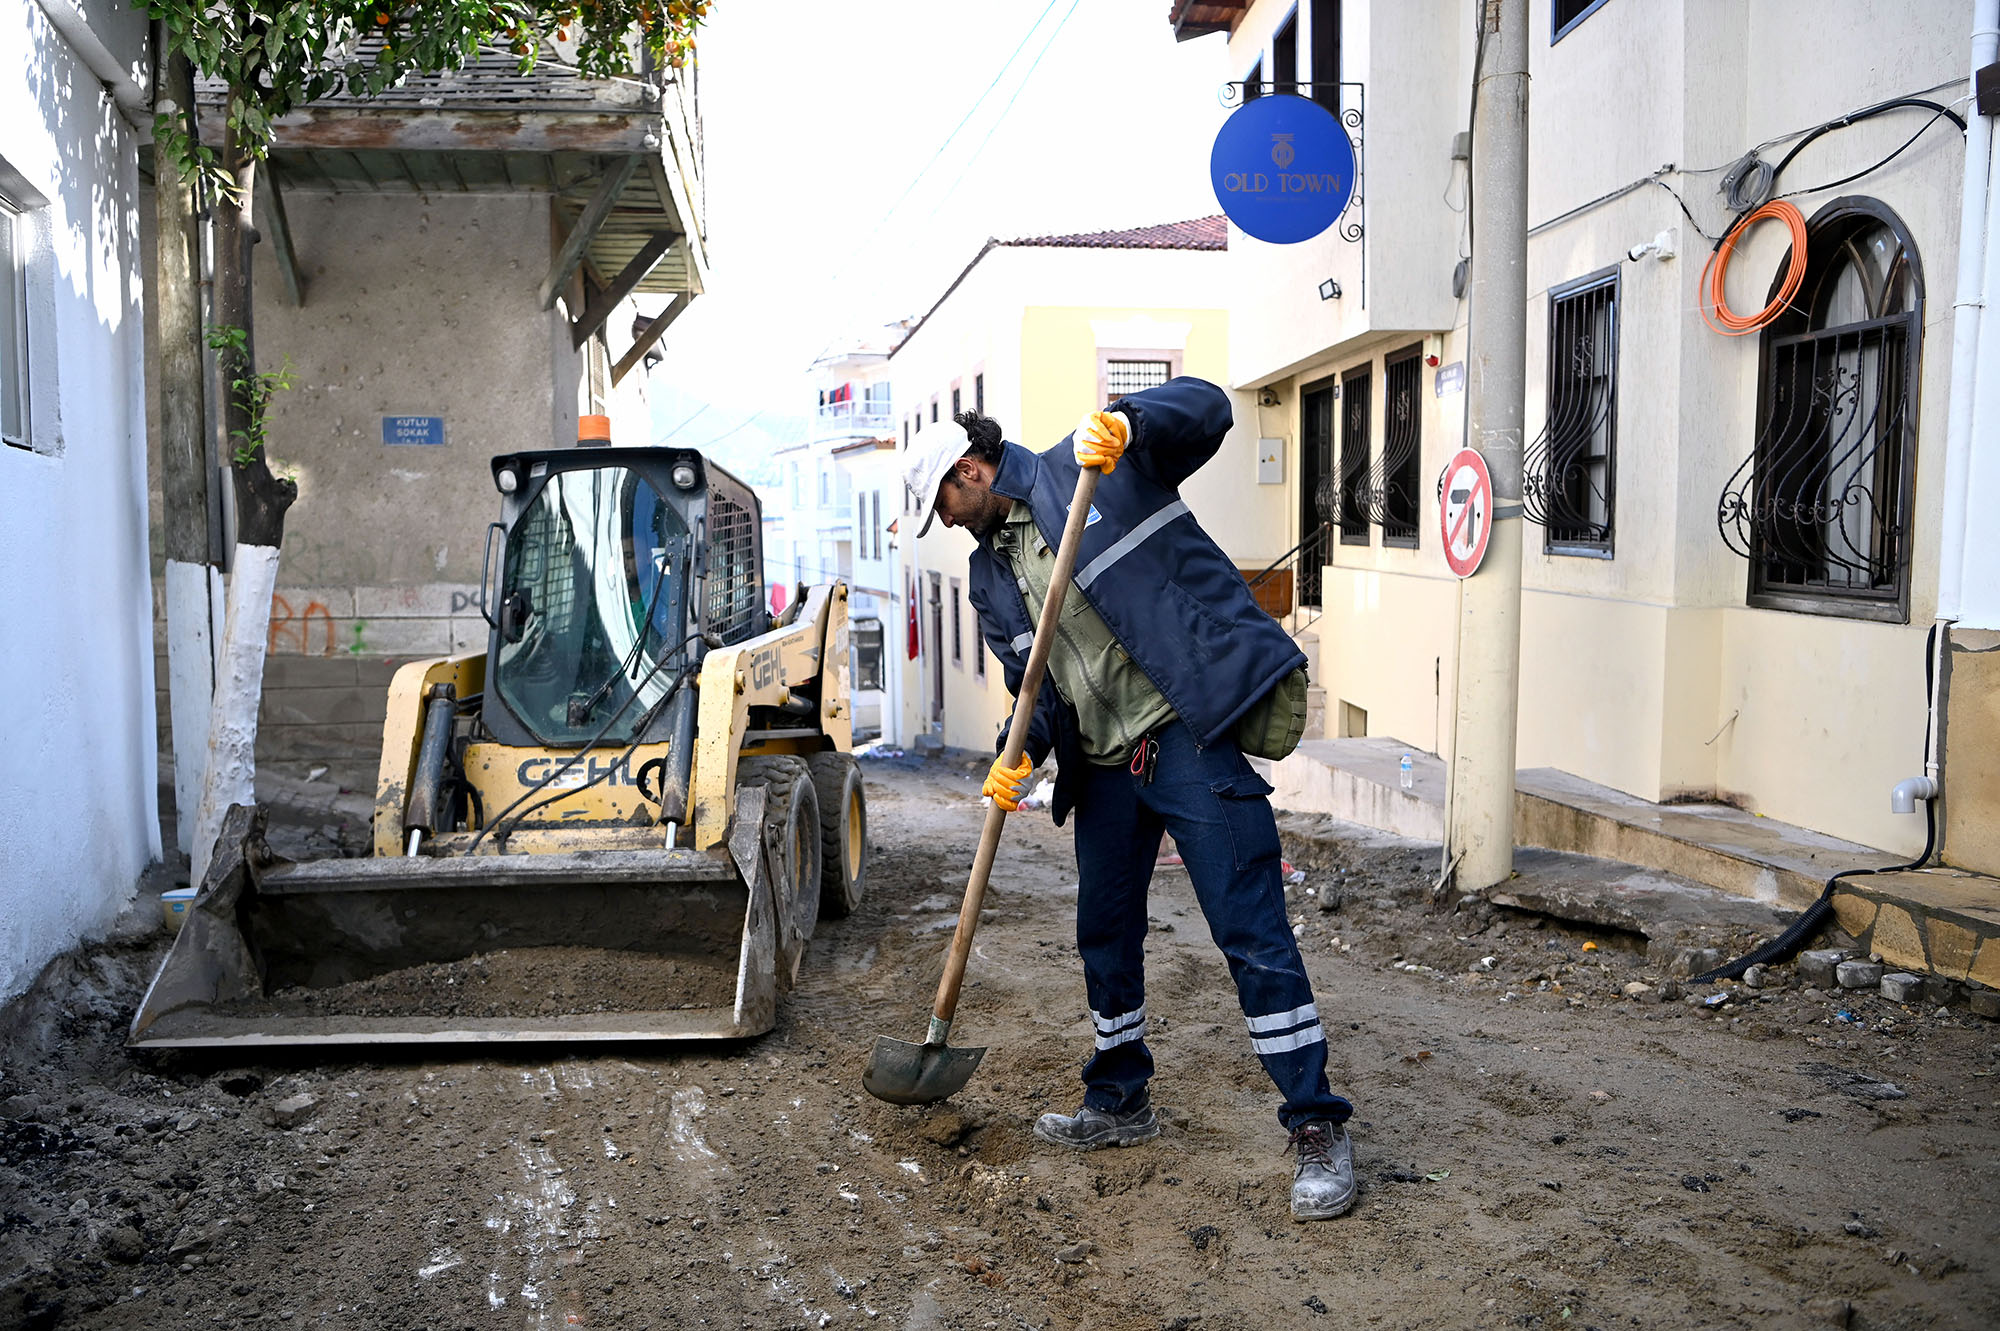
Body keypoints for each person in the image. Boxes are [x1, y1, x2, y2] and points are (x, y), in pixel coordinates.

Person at [902, 376, 1356, 1221]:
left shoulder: (1097, 469)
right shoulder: (988, 581)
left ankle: (1317, 1124)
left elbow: (1211, 410)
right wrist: (1019, 754)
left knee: (1248, 924)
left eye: (945, 505)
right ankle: (1120, 1099)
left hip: (1183, 732)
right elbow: (1033, 688)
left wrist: (1128, 419)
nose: (949, 522)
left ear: (970, 469)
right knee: (1103, 930)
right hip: (1105, 766)